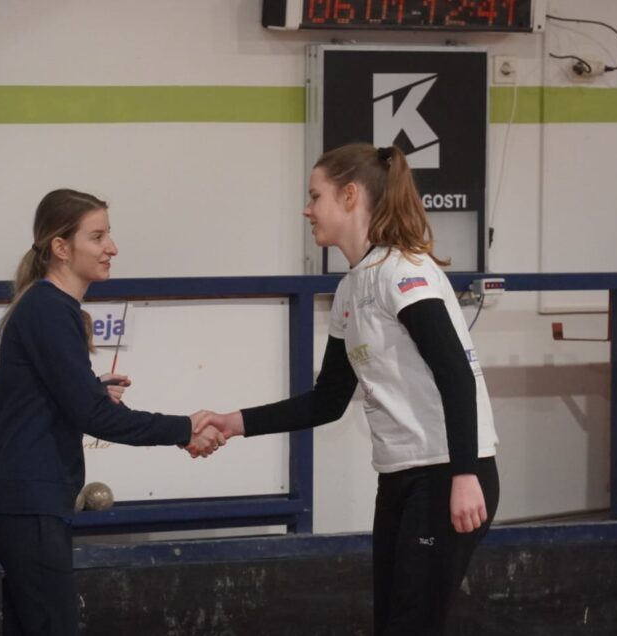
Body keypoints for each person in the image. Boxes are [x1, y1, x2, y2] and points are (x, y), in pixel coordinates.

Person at [196, 143, 500, 635]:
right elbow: (328, 400)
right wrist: (235, 423)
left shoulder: (404, 271)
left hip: (447, 472)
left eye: (315, 196)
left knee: (411, 625)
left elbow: (456, 374)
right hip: (399, 476)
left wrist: (465, 475)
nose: (307, 209)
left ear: (350, 196)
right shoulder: (350, 289)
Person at [0, 188, 225, 635]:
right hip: (31, 509)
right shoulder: (50, 310)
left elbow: (1, 402)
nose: (112, 247)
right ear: (61, 247)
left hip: (22, 508)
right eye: (97, 237)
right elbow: (94, 417)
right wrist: (184, 428)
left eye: (108, 234)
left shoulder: (42, 307)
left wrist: (85, 389)